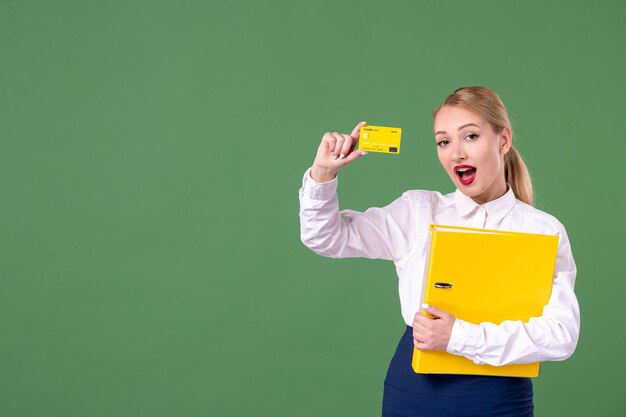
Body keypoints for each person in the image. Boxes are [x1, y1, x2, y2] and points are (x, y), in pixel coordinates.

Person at [298, 86, 580, 417]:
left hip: (498, 395)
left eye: (470, 136)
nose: (456, 153)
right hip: (413, 389)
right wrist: (322, 175)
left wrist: (458, 336)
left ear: (503, 140)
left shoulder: (541, 230)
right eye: (444, 141)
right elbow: (325, 237)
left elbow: (560, 335)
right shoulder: (417, 212)